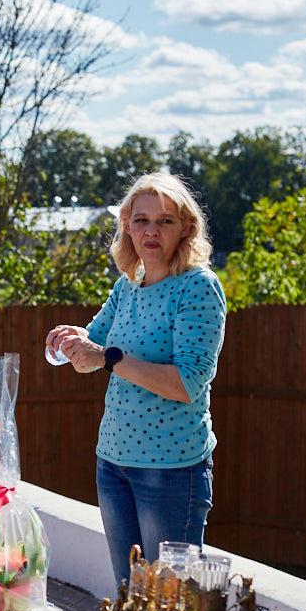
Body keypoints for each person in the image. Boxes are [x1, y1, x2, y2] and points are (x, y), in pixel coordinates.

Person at [45, 173, 226, 588]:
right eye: (141, 220)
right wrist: (72, 341)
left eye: (165, 221)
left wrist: (106, 357)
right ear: (126, 225)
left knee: (167, 606)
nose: (151, 231)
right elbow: (91, 358)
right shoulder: (128, 285)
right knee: (129, 596)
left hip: (171, 469)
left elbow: (186, 384)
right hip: (112, 463)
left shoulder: (198, 287)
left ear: (186, 228)